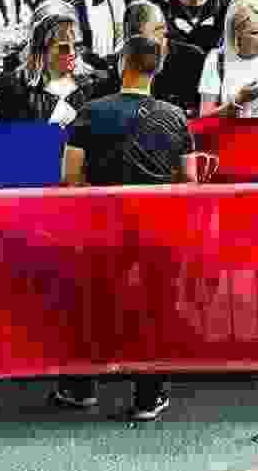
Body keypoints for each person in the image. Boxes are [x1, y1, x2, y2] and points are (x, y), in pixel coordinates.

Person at [53, 35, 192, 421]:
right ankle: (149, 395)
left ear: (121, 65)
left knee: (92, 304)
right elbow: (188, 179)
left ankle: (80, 387)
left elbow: (70, 176)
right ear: (157, 69)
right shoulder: (175, 117)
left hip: (100, 227)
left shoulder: (91, 112)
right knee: (154, 308)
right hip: (157, 229)